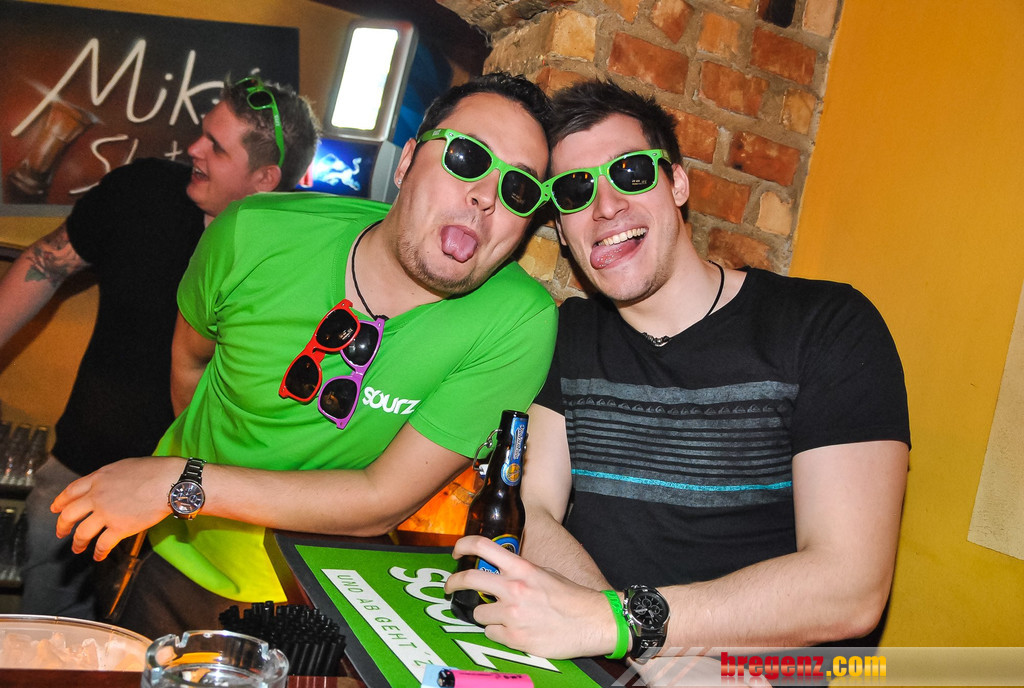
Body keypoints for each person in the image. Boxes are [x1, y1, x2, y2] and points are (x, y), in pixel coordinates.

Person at [51, 72, 558, 639]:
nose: (486, 195)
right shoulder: (252, 233)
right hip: (182, 560)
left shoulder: (518, 321)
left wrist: (184, 482)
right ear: (406, 162)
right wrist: (185, 492)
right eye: (466, 157)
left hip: (326, 593)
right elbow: (190, 364)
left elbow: (382, 498)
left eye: (519, 188)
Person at [445, 80, 910, 664]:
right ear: (560, 228)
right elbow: (530, 509)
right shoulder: (572, 336)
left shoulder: (825, 324)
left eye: (631, 173)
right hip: (603, 660)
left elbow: (850, 587)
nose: (605, 206)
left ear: (678, 184)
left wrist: (621, 625)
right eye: (574, 190)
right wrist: (633, 644)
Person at [0, 74, 319, 620]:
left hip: (198, 513)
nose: (193, 149)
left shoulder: (300, 256)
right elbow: (45, 264)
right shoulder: (142, 191)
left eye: (217, 147)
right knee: (42, 638)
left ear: (264, 178)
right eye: (202, 133)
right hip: (82, 475)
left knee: (146, 648)